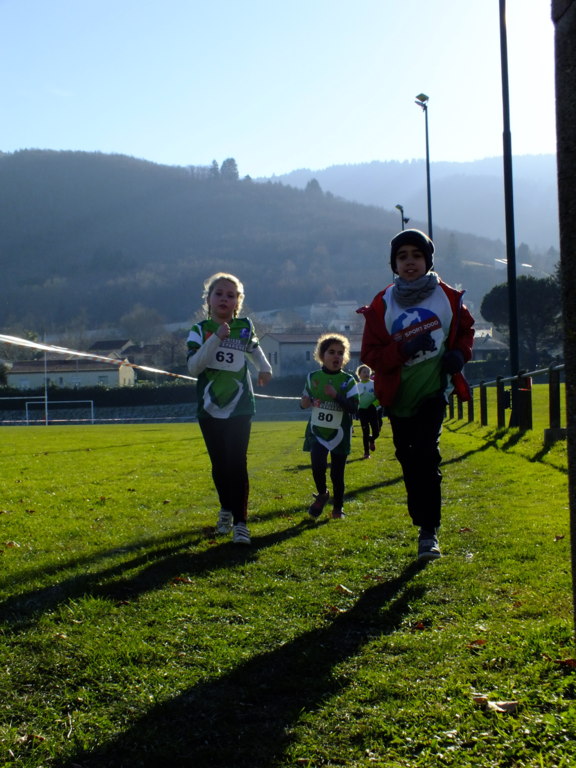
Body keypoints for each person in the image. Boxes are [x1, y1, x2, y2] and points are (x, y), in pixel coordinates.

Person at [358, 229, 474, 561]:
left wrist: (460, 354)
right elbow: (370, 355)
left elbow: (465, 331)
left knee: (427, 455)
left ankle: (429, 531)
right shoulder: (382, 303)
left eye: (417, 255)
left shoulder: (448, 297)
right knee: (409, 462)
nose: (410, 262)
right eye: (402, 256)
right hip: (397, 398)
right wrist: (404, 349)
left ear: (428, 261)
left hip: (433, 393)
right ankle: (421, 521)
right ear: (393, 264)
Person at [186, 272, 272, 545]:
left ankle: (241, 523)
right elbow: (194, 367)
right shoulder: (199, 330)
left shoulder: (245, 326)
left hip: (240, 405)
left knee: (237, 463)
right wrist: (215, 338)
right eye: (219, 293)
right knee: (220, 465)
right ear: (208, 299)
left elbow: (254, 349)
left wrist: (265, 368)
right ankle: (225, 508)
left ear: (238, 302)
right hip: (209, 408)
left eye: (231, 295)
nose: (225, 298)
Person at [300, 333, 359, 520]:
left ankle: (338, 508)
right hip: (318, 431)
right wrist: (305, 403)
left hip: (340, 433)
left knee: (337, 473)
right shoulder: (312, 377)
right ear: (321, 355)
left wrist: (336, 396)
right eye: (331, 352)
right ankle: (322, 494)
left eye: (340, 353)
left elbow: (353, 408)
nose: (336, 356)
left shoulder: (349, 380)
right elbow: (304, 401)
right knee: (317, 465)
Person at [356, 364, 380, 459]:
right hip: (362, 411)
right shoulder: (357, 386)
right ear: (359, 374)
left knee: (376, 432)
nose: (366, 374)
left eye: (368, 372)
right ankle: (366, 453)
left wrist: (374, 404)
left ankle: (371, 439)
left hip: (372, 409)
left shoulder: (374, 383)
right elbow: (354, 398)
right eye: (364, 372)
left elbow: (379, 396)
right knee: (365, 432)